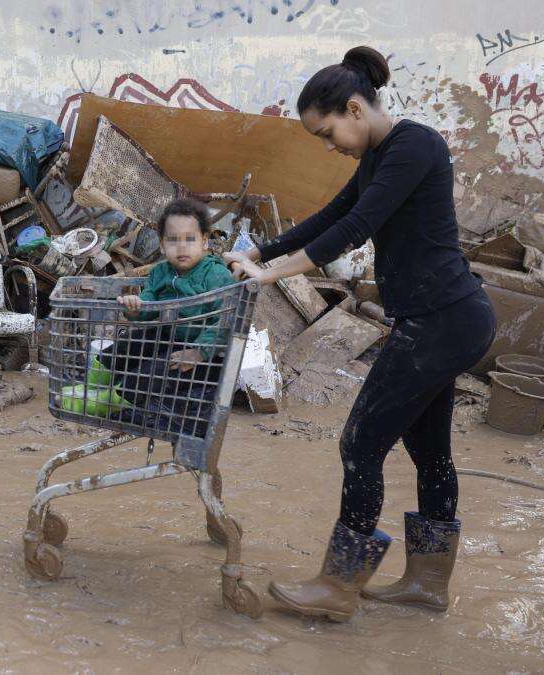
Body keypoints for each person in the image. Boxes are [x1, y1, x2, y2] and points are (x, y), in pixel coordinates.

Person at [225, 46, 496, 622]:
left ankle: (338, 585)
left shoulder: (415, 145)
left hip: (444, 321)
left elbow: (357, 227)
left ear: (354, 107)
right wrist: (258, 249)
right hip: (441, 319)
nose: (330, 146)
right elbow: (331, 213)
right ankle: (427, 583)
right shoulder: (378, 156)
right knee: (429, 450)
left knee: (360, 443)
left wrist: (272, 273)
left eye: (328, 133)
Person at [96, 198, 237, 436]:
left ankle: (112, 400)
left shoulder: (215, 275)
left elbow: (225, 320)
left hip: (204, 353)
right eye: (173, 240)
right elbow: (149, 301)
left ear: (204, 241)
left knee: (145, 376)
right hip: (169, 334)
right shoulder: (161, 271)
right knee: (125, 347)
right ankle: (93, 385)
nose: (182, 247)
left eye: (190, 239)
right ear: (162, 244)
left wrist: (199, 352)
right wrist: (135, 308)